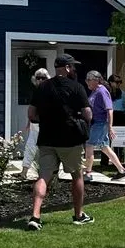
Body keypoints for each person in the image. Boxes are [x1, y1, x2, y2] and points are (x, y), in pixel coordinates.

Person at [26, 55, 94, 230]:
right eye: (73, 66)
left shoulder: (42, 88)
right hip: (70, 139)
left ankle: (35, 216)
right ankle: (78, 216)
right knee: (76, 175)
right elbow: (88, 114)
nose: (74, 69)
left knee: (44, 176)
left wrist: (46, 120)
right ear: (68, 68)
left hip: (47, 138)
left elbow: (31, 115)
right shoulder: (77, 87)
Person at [84, 70, 125, 181]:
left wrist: (110, 127)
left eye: (88, 80)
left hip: (100, 123)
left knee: (89, 146)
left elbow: (110, 110)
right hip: (98, 123)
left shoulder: (102, 91)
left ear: (96, 80)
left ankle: (88, 173)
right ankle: (122, 171)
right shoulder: (95, 91)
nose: (87, 82)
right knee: (105, 148)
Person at [21, 66, 48, 181]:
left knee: (44, 149)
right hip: (34, 124)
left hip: (44, 125)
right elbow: (32, 109)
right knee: (30, 147)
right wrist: (28, 122)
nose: (40, 80)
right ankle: (24, 172)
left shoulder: (48, 92)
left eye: (43, 78)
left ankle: (45, 174)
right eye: (38, 78)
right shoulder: (35, 91)